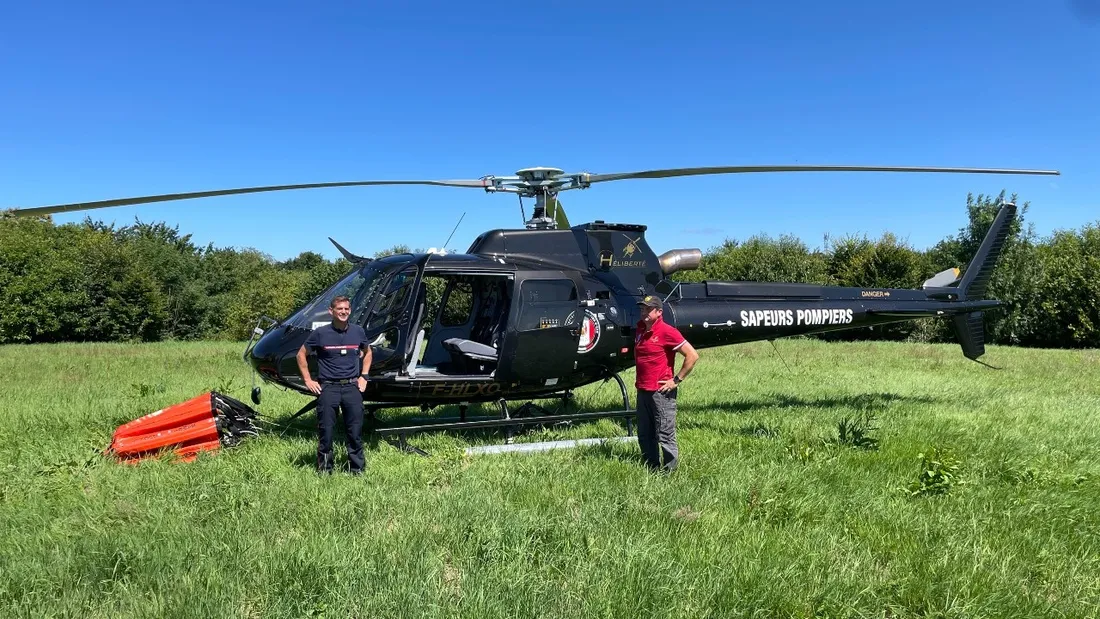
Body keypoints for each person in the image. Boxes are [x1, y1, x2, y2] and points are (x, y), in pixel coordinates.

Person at [296, 296, 373, 474]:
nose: (344, 312)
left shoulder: (358, 331)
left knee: (354, 432)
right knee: (326, 432)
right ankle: (325, 471)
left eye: (346, 309)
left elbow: (368, 352)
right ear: (331, 311)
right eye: (340, 309)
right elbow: (301, 355)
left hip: (352, 387)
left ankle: (357, 470)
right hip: (328, 387)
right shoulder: (320, 333)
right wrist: (308, 380)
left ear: (350, 310)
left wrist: (364, 376)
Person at [633, 294, 699, 472]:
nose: (644, 312)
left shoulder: (667, 331)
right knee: (645, 433)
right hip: (643, 389)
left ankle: (669, 472)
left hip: (661, 391)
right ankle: (651, 467)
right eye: (642, 309)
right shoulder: (640, 329)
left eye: (648, 309)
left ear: (659, 312)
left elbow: (692, 355)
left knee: (665, 433)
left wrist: (676, 380)